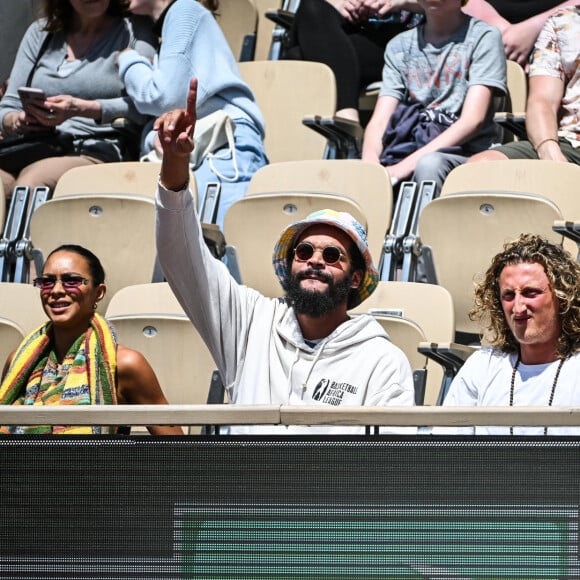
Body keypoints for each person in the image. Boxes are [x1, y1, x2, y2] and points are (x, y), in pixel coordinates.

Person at [154, 78, 416, 435]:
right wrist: (175, 163)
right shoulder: (250, 325)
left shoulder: (381, 360)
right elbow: (181, 258)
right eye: (304, 251)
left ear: (356, 278)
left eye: (332, 254)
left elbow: (389, 464)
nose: (315, 261)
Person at [0, 244, 183, 436]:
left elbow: (176, 450)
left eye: (71, 281)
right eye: (47, 282)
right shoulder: (19, 361)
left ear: (99, 292)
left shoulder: (125, 364)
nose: (56, 290)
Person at [117, 0, 267, 228]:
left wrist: (128, 60)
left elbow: (164, 97)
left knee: (220, 246)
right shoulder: (166, 25)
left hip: (222, 146)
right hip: (196, 148)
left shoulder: (184, 9)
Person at [0, 0, 157, 198]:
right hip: (34, 145)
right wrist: (18, 120)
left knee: (30, 184)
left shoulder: (134, 31)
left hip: (97, 148)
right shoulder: (41, 33)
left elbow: (148, 103)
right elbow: (8, 105)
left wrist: (83, 108)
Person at [437, 234, 580, 436]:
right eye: (509, 296)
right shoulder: (482, 367)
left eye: (531, 293)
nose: (518, 307)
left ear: (563, 298)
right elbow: (447, 455)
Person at [361, 0, 506, 193]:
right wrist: (370, 166)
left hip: (468, 155)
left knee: (429, 165)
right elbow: (380, 120)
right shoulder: (399, 46)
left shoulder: (483, 37)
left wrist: (403, 168)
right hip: (407, 148)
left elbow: (472, 121)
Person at [467, 5, 580, 166]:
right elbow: (543, 100)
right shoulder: (563, 23)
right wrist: (551, 154)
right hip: (573, 143)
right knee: (481, 166)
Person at [289, 0, 423, 123]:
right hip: (362, 30)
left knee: (298, 56)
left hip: (411, 43)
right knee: (311, 5)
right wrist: (344, 4)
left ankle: (345, 116)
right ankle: (347, 120)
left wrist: (400, 2)